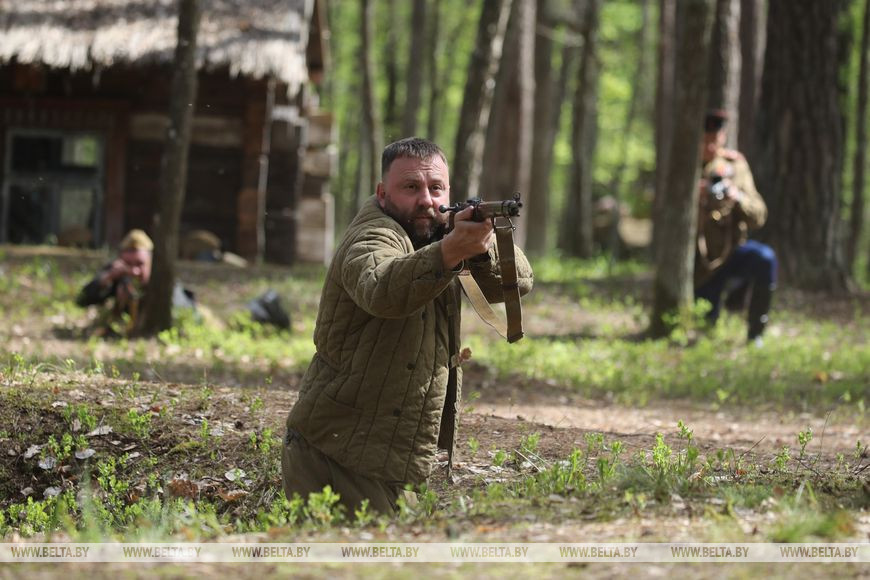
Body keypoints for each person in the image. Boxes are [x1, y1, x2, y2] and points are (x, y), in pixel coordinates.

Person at [281, 137, 533, 514]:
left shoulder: (437, 234)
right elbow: (382, 289)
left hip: (387, 457)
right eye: (411, 187)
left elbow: (519, 282)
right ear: (383, 194)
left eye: (436, 188)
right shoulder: (372, 235)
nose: (427, 200)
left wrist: (479, 248)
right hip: (336, 453)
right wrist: (451, 251)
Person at [695, 110, 777, 345]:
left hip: (731, 254)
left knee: (765, 259)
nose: (711, 144)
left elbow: (759, 215)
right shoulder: (684, 167)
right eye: (706, 137)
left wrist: (736, 196)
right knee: (705, 327)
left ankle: (756, 333)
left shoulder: (735, 166)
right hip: (698, 267)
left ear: (723, 136)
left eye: (715, 137)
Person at [76, 229, 195, 335]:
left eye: (140, 264)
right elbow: (81, 300)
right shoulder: (115, 277)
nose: (134, 271)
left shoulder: (162, 282)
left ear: (152, 264)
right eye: (127, 264)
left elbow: (189, 313)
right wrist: (106, 279)